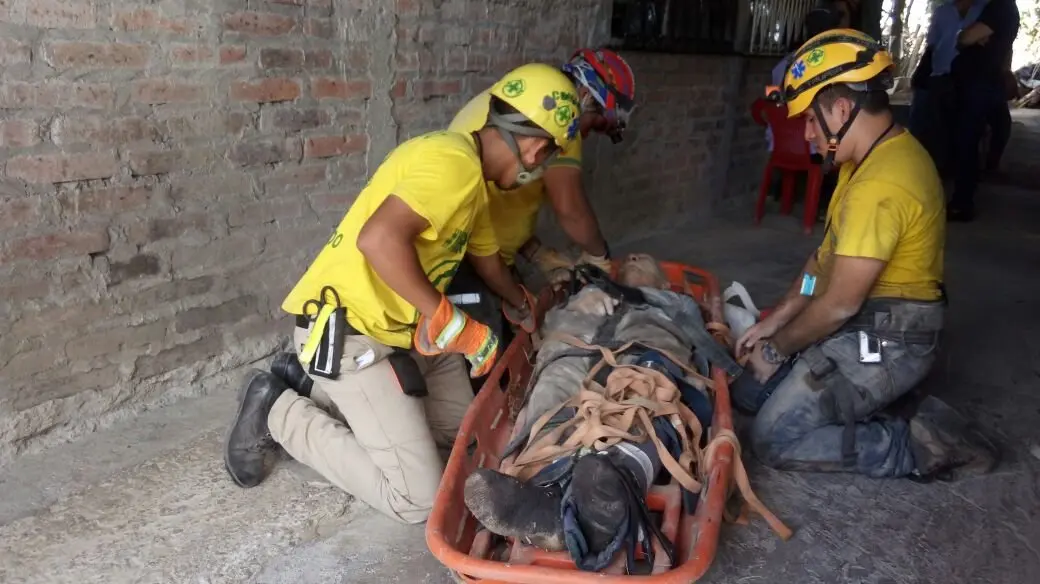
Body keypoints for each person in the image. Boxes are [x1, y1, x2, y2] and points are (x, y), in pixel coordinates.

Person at [222, 63, 584, 524]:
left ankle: (317, 385)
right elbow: (377, 240)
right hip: (352, 332)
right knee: (419, 498)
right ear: (534, 147)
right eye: (550, 154)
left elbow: (487, 257)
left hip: (399, 331)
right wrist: (455, 324)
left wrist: (519, 304)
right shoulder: (451, 164)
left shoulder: (472, 178)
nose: (543, 166)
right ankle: (278, 409)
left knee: (462, 443)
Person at [748, 30, 997, 482]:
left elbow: (839, 302)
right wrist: (778, 319)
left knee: (772, 437)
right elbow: (819, 267)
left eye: (808, 119)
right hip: (866, 320)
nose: (805, 133)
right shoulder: (863, 158)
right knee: (750, 390)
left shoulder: (881, 183)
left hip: (892, 340)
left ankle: (920, 445)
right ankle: (872, 403)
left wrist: (775, 348)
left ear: (841, 109)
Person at [461, 255, 776, 574]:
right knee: (552, 384)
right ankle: (550, 501)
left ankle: (608, 487)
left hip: (642, 355)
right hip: (575, 350)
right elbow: (548, 327)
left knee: (647, 393)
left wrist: (656, 306)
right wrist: (581, 304)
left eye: (646, 261)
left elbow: (700, 342)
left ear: (664, 283)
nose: (636, 257)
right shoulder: (586, 294)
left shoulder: (674, 301)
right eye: (631, 260)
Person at [443, 49, 637, 356]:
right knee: (491, 357)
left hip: (479, 248)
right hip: (465, 259)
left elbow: (501, 199)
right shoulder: (558, 120)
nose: (586, 136)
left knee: (517, 336)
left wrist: (533, 250)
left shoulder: (524, 100)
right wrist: (601, 257)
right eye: (597, 124)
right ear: (585, 96)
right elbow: (570, 209)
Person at [948, 0, 1020, 221]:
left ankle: (962, 203)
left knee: (967, 141)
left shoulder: (1001, 7)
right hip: (982, 83)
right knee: (974, 137)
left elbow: (964, 38)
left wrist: (965, 36)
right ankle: (970, 188)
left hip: (980, 85)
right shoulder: (1000, 8)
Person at [908, 0, 989, 177]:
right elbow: (931, 45)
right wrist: (921, 74)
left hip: (970, 79)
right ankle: (938, 170)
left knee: (965, 129)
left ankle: (962, 171)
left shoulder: (985, 9)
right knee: (937, 126)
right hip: (940, 76)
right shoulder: (942, 12)